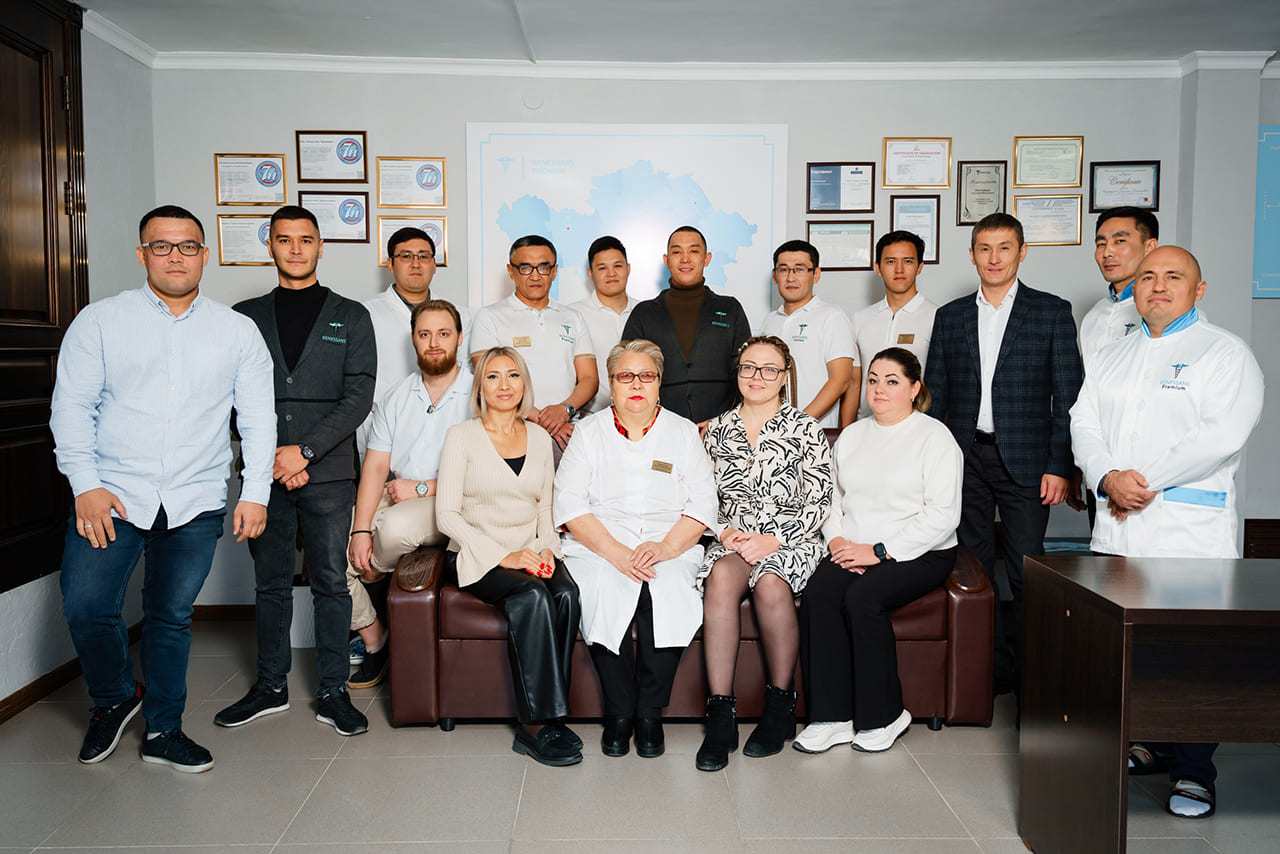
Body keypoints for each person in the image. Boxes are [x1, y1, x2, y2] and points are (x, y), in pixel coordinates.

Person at [51, 204, 276, 772]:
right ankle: (115, 697)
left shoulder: (237, 331)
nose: (176, 256)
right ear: (142, 254)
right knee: (86, 606)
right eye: (162, 245)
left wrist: (255, 493)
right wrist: (84, 485)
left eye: (188, 246)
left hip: (194, 498)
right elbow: (71, 408)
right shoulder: (100, 322)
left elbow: (258, 419)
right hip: (111, 494)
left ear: (204, 255)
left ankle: (163, 729)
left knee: (170, 616)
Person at [1069, 245, 1264, 819]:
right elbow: (1083, 422)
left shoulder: (1225, 353)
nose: (1157, 285)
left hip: (1186, 530)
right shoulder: (1113, 355)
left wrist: (1139, 484)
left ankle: (1195, 773)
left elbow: (1220, 437)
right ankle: (1149, 743)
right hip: (1119, 527)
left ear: (1198, 290)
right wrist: (1107, 478)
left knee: (1194, 655)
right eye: (1149, 277)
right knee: (1132, 650)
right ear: (1134, 289)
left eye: (1173, 277)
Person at [216, 205, 376, 737]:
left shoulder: (351, 316)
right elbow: (226, 396)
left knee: (331, 581)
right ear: (271, 245)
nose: (296, 249)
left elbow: (358, 398)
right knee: (270, 583)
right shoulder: (243, 317)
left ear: (320, 246)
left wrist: (304, 453)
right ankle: (270, 686)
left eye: (306, 239)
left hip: (327, 474)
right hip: (263, 474)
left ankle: (333, 691)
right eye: (285, 239)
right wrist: (273, 458)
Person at [924, 213, 1083, 693]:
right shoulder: (950, 315)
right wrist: (933, 465)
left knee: (1027, 570)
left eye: (1004, 248)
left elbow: (1067, 396)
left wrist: (1060, 466)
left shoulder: (1051, 311)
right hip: (965, 457)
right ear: (972, 254)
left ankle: (1035, 678)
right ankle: (989, 671)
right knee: (973, 568)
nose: (994, 258)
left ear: (1022, 252)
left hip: (1029, 463)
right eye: (985, 248)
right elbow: (934, 395)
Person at [554, 340, 717, 759]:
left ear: (660, 383)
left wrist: (665, 547)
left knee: (671, 590)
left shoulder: (683, 432)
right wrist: (615, 552)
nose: (637, 384)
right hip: (599, 543)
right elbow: (570, 504)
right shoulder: (588, 433)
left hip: (670, 541)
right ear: (611, 384)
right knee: (605, 590)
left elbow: (703, 504)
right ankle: (619, 712)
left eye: (647, 375)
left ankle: (649, 713)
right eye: (626, 376)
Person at [797, 347, 962, 755]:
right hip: (853, 545)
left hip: (919, 550)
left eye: (892, 381)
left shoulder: (935, 438)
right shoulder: (852, 435)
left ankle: (885, 716)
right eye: (872, 380)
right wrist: (836, 541)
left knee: (863, 598)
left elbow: (943, 516)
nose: (879, 389)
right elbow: (832, 499)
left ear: (914, 388)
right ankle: (831, 718)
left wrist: (880, 551)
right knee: (819, 594)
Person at [436, 347, 583, 766]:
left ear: (524, 384)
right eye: (493, 376)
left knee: (566, 594)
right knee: (532, 595)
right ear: (480, 387)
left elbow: (545, 507)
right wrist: (506, 556)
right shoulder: (461, 436)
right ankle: (533, 726)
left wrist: (548, 548)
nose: (504, 385)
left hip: (531, 550)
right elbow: (446, 516)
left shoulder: (539, 438)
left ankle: (553, 715)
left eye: (513, 375)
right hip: (475, 553)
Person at [695, 336, 833, 770]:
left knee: (771, 582)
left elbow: (820, 501)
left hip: (791, 539)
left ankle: (780, 705)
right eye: (749, 367)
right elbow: (699, 497)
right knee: (720, 577)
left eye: (769, 369)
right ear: (737, 373)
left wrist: (774, 539)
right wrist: (724, 531)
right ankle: (720, 713)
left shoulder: (806, 428)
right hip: (734, 538)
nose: (757, 377)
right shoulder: (716, 430)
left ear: (784, 376)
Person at [344, 299, 472, 688]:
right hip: (396, 490)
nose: (434, 343)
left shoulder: (480, 393)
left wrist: (421, 488)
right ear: (413, 340)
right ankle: (375, 637)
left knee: (393, 529)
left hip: (453, 497)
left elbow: (485, 471)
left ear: (459, 339)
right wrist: (359, 530)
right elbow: (375, 468)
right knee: (331, 551)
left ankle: (374, 571)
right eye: (424, 334)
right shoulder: (396, 396)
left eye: (443, 334)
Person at [469, 235, 597, 449]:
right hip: (512, 432)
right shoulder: (489, 317)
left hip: (566, 431)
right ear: (511, 271)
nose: (535, 275)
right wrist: (546, 421)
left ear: (554, 272)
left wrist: (564, 410)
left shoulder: (573, 317)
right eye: (526, 268)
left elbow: (589, 378)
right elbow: (487, 379)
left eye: (543, 267)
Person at [622, 226, 751, 427]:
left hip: (722, 429)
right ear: (667, 260)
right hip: (659, 428)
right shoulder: (644, 313)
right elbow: (626, 374)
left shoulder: (730, 309)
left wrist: (723, 423)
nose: (685, 259)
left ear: (706, 258)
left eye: (693, 251)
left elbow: (748, 371)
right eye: (677, 252)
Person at [359, 226, 471, 454]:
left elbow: (467, 374)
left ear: (434, 264)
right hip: (384, 429)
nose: (416, 264)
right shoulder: (364, 314)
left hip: (448, 427)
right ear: (390, 264)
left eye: (423, 256)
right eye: (406, 256)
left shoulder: (460, 315)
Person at [845, 230, 938, 423]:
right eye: (890, 261)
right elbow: (854, 383)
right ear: (878, 268)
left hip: (917, 426)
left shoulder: (938, 317)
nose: (899, 269)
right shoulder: (860, 318)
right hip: (868, 425)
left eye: (908, 261)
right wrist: (846, 430)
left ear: (920, 267)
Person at [761, 240, 854, 428]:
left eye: (800, 269)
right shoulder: (769, 321)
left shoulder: (832, 317)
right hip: (769, 430)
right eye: (784, 269)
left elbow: (841, 380)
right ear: (774, 276)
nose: (790, 277)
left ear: (816, 274)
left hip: (813, 431)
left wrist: (798, 423)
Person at [1079, 207, 1159, 368]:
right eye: (1101, 244)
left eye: (1120, 241)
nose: (1107, 252)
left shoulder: (1168, 311)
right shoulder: (1094, 315)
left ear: (1150, 247)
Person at [569, 235, 638, 414]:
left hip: (641, 416)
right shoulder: (573, 315)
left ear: (628, 268)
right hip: (589, 419)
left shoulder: (646, 312)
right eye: (602, 268)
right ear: (590, 273)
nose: (611, 273)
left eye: (617, 266)